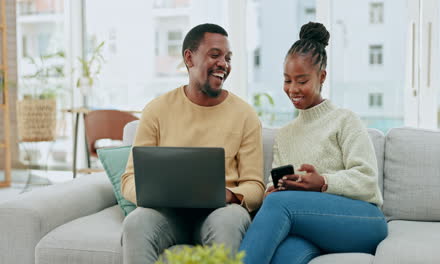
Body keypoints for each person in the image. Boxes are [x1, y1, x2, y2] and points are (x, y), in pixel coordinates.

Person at [239, 22, 388, 264]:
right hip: (311, 226)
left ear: (321, 76)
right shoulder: (285, 134)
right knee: (284, 255)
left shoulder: (344, 120)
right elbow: (274, 185)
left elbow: (367, 180)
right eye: (287, 80)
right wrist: (270, 191)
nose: (293, 89)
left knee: (279, 205)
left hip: (363, 223)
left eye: (301, 80)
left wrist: (323, 182)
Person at [120, 23, 265, 264]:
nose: (224, 64)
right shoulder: (157, 110)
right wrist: (155, 195)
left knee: (229, 221)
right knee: (136, 222)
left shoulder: (245, 114)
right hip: (167, 215)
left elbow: (255, 186)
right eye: (215, 55)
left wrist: (229, 195)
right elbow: (129, 179)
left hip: (220, 212)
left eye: (228, 58)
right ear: (189, 58)